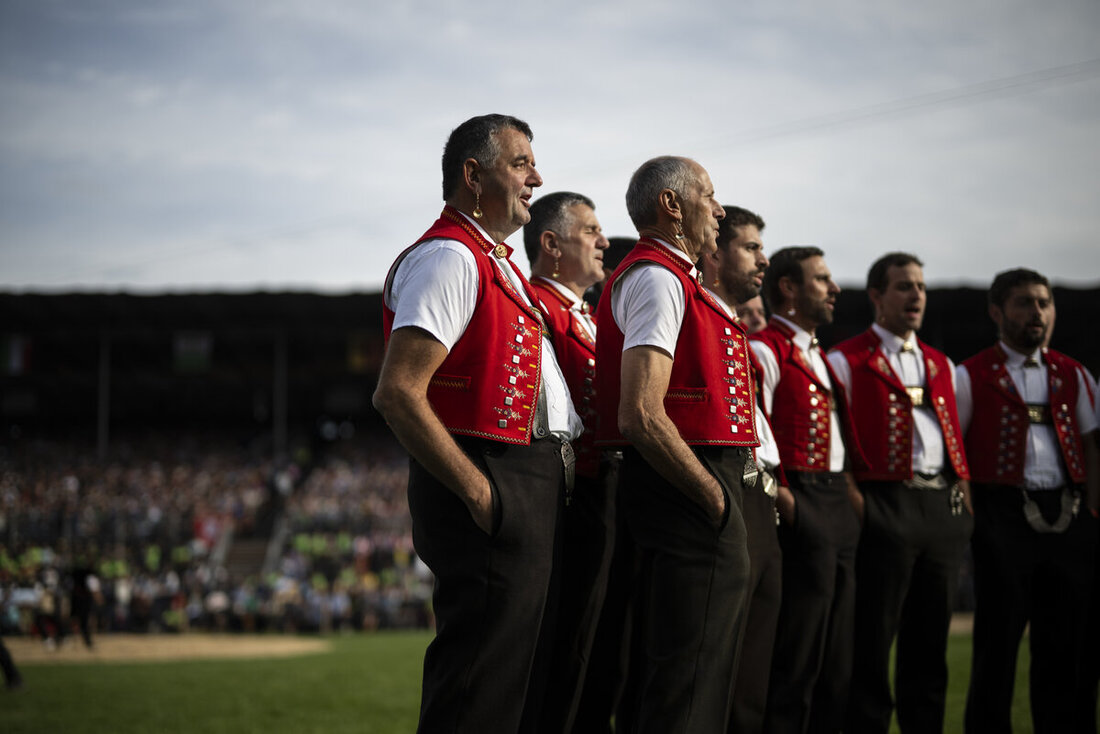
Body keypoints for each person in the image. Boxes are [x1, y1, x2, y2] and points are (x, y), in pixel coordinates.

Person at [372, 114, 583, 734]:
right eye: (520, 164)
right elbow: (399, 392)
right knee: (480, 688)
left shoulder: (489, 261)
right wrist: (482, 493)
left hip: (520, 476)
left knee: (507, 682)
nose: (536, 177)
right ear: (473, 175)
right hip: (494, 474)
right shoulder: (448, 258)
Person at [595, 156, 755, 732]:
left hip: (677, 482)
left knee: (683, 674)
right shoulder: (659, 277)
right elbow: (640, 411)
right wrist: (713, 496)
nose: (719, 208)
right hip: (686, 485)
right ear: (671, 205)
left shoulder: (669, 276)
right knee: (689, 680)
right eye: (709, 195)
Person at [827, 252, 973, 733]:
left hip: (939, 507)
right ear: (876, 296)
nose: (916, 296)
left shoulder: (943, 365)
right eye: (904, 286)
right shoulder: (843, 361)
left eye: (921, 287)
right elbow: (836, 443)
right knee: (871, 640)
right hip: (883, 505)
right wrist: (860, 505)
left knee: (929, 646)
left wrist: (961, 498)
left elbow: (959, 433)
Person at [957, 268, 1098, 734]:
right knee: (995, 650)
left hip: (1070, 518)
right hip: (1000, 520)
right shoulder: (970, 374)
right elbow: (955, 452)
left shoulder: (1074, 373)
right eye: (1024, 303)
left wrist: (1092, 516)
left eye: (1044, 303)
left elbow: (1093, 446)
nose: (1036, 312)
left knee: (1069, 652)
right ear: (997, 312)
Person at [750, 245, 864, 734]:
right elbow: (754, 434)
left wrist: (852, 494)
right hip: (804, 498)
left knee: (838, 657)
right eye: (822, 279)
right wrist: (789, 500)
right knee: (797, 654)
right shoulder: (764, 349)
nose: (834, 288)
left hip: (838, 499)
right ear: (789, 289)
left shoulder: (821, 354)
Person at [522, 191, 614, 734]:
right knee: (567, 651)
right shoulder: (538, 307)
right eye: (591, 231)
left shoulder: (588, 315)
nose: (604, 242)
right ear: (552, 244)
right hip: (568, 500)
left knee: (597, 648)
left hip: (599, 494)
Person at [698, 205, 782, 734]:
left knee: (755, 665)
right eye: (751, 247)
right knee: (713, 665)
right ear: (715, 252)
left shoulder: (735, 330)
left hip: (764, 493)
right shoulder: (694, 313)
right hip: (726, 488)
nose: (763, 261)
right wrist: (713, 492)